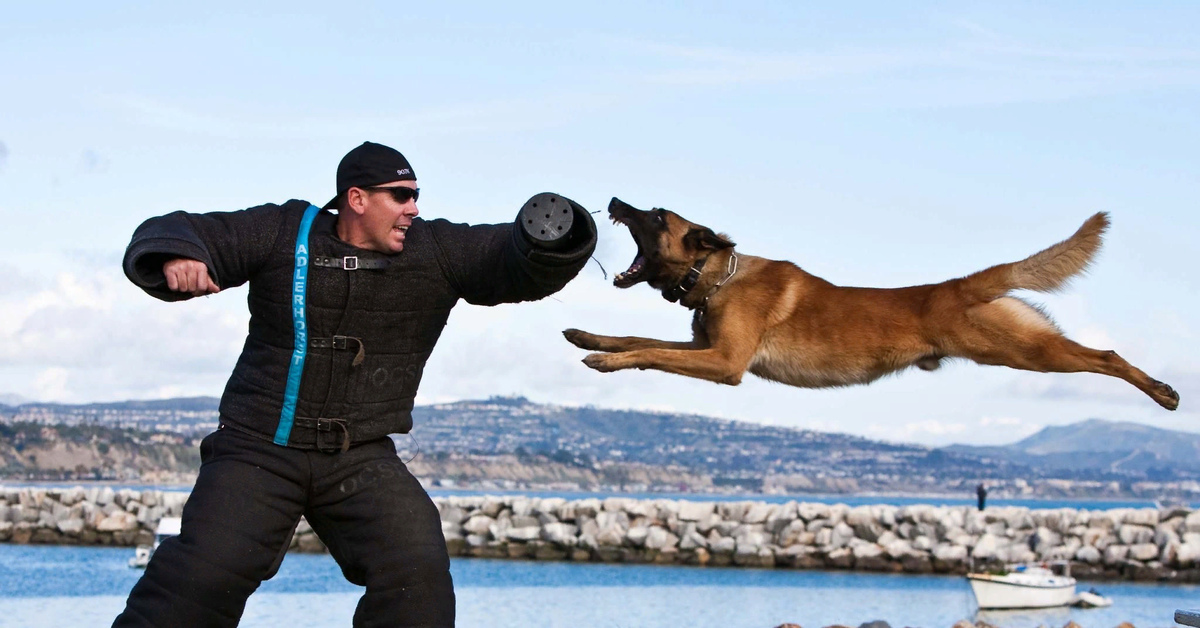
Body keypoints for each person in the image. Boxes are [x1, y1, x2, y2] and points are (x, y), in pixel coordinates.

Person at [113, 141, 596, 627]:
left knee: (416, 568)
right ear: (358, 199)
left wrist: (554, 239)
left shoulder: (435, 250)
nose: (414, 208)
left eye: (416, 195)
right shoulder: (284, 231)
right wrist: (178, 254)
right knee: (201, 578)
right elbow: (185, 230)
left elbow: (509, 260)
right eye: (402, 196)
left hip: (359, 456)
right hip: (258, 449)